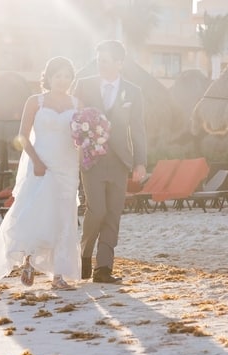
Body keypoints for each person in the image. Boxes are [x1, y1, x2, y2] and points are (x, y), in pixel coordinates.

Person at [0, 56, 80, 290]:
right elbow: (22, 137)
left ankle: (58, 275)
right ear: (48, 77)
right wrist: (36, 161)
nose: (62, 80)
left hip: (68, 165)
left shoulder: (77, 103)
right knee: (36, 211)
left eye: (67, 76)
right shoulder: (35, 101)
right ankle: (28, 259)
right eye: (58, 75)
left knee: (64, 216)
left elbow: (82, 134)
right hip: (41, 165)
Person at [73, 40, 147, 284]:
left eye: (105, 60)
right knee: (97, 209)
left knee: (113, 214)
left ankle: (103, 268)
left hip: (119, 160)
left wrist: (140, 163)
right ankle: (84, 254)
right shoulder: (83, 86)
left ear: (119, 62)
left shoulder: (133, 91)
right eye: (98, 60)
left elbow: (138, 130)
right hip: (91, 159)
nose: (101, 65)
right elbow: (73, 121)